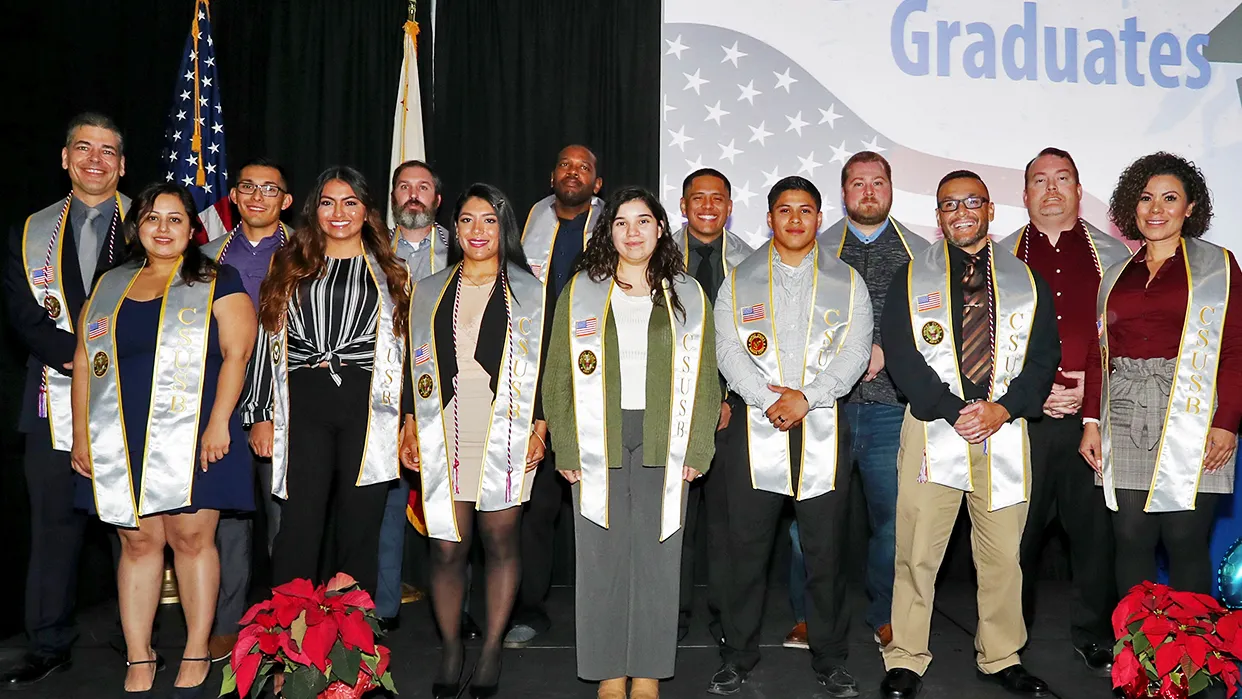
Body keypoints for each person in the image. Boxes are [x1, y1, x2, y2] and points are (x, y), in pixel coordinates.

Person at [69, 182, 257, 696]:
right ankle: (139, 653)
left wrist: (221, 421)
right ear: (137, 226)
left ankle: (197, 647)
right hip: (120, 431)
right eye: (153, 218)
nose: (163, 228)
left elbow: (237, 355)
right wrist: (83, 432)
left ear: (192, 228)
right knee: (138, 541)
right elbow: (86, 359)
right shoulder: (111, 283)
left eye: (175, 219)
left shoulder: (219, 278)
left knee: (192, 540)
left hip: (197, 431)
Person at [880, 170, 1059, 699]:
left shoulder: (1025, 281)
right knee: (916, 550)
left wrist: (1002, 410)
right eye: (949, 204)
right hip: (934, 427)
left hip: (1004, 430)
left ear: (990, 210)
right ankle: (906, 657)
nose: (961, 212)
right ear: (938, 216)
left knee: (1004, 555)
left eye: (972, 202)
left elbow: (1044, 357)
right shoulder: (911, 278)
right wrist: (954, 409)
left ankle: (1001, 655)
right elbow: (902, 352)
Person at [546, 186, 720, 699]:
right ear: (609, 231)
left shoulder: (687, 292)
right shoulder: (581, 290)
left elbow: (707, 377)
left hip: (665, 436)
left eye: (643, 221)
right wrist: (567, 445)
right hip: (598, 433)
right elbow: (557, 373)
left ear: (660, 229)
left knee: (658, 558)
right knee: (599, 556)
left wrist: (698, 448)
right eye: (621, 223)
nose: (632, 232)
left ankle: (647, 671)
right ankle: (607, 671)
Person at [709, 176, 872, 698]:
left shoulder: (847, 282)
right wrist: (765, 397)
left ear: (819, 219)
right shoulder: (739, 279)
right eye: (785, 210)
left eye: (805, 210)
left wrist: (809, 396)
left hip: (822, 426)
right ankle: (737, 655)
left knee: (825, 554)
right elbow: (727, 348)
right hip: (756, 432)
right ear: (770, 218)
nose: (795, 219)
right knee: (746, 551)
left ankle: (830, 658)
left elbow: (856, 350)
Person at [401, 183, 549, 699]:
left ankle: (490, 650)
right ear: (454, 227)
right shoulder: (431, 288)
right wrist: (407, 421)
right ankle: (450, 647)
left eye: (488, 220)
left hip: (505, 425)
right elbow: (410, 362)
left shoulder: (530, 291)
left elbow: (548, 365)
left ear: (503, 227)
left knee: (500, 541)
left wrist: (541, 425)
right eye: (467, 220)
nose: (477, 231)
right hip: (445, 426)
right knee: (445, 547)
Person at [1, 113, 130, 689]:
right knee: (52, 525)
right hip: (51, 396)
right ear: (65, 158)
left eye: (107, 151)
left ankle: (140, 640)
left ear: (122, 165)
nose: (95, 159)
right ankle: (48, 642)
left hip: (134, 398)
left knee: (136, 527)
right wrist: (74, 356)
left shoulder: (151, 220)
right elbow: (21, 311)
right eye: (84, 148)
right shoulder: (30, 231)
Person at [242, 166, 411, 597]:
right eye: (328, 202)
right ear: (314, 208)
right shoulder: (289, 263)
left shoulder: (394, 271)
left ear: (367, 210)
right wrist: (260, 413)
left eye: (350, 202)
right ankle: (287, 642)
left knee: (360, 529)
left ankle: (354, 647)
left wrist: (408, 420)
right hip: (303, 403)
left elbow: (409, 354)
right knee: (298, 526)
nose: (339, 212)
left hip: (369, 407)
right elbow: (267, 340)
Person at [1081, 152, 1242, 598]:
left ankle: (1190, 664)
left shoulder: (1218, 266)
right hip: (1126, 413)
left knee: (1185, 541)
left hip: (1192, 411)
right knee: (1131, 540)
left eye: (1170, 198)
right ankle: (1138, 658)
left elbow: (1235, 348)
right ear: (1133, 207)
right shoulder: (1115, 275)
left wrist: (1226, 422)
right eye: (1146, 198)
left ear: (1190, 208)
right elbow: (1099, 355)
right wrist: (1090, 423)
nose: (1156, 209)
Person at [1005, 147, 1130, 677]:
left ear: (1080, 191)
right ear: (1025, 193)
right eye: (1039, 180)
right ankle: (1006, 638)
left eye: (1063, 179)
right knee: (1015, 535)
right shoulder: (998, 258)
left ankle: (1095, 635)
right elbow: (982, 344)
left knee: (1095, 535)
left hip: (1092, 422)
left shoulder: (1118, 257)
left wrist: (1093, 397)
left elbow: (1131, 340)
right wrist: (1030, 394)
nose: (1051, 189)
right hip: (1021, 423)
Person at [820, 150, 928, 649]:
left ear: (890, 189)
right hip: (823, 410)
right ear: (844, 193)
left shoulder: (922, 253)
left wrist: (891, 352)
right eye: (857, 183)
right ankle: (810, 617)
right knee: (813, 519)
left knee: (893, 520)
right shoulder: (815, 248)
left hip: (892, 410)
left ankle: (885, 612)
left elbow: (937, 327)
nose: (867, 191)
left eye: (877, 182)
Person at [506, 144, 605, 648]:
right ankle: (528, 607)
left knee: (600, 499)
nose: (573, 172)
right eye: (565, 164)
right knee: (536, 502)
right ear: (552, 175)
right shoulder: (524, 226)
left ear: (597, 182)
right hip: (530, 375)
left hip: (597, 378)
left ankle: (609, 609)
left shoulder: (616, 229)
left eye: (584, 167)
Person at [200, 157, 293, 662]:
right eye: (248, 188)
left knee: (284, 520)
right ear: (233, 195)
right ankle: (225, 623)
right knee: (228, 521)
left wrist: (272, 411)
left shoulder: (307, 253)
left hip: (285, 406)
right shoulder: (204, 257)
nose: (258, 197)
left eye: (270, 189)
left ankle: (288, 625)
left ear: (287, 200)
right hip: (220, 403)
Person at [672, 167, 751, 645]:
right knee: (674, 520)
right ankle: (672, 617)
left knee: (727, 526)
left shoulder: (751, 261)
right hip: (672, 408)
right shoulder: (653, 256)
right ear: (682, 206)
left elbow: (755, 342)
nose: (706, 206)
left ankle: (725, 620)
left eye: (716, 198)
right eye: (697, 198)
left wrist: (727, 398)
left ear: (728, 206)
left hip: (733, 409)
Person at [375, 158, 450, 631]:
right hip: (382, 389)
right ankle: (382, 608)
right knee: (387, 503)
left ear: (438, 200)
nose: (414, 195)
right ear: (394, 197)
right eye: (405, 187)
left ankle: (457, 611)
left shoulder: (466, 243)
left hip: (448, 388)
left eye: (423, 187)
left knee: (455, 504)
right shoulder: (370, 248)